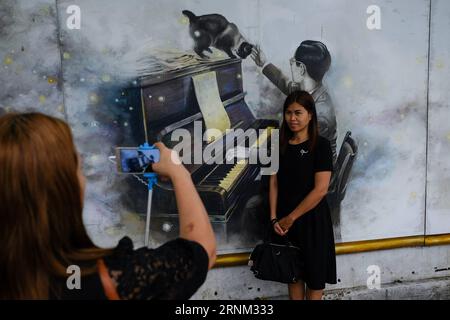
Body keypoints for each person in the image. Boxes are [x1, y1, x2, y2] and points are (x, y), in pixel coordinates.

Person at [0, 112, 216, 300]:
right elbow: (202, 249)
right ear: (64, 190)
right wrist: (178, 171)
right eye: (78, 167)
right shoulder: (109, 278)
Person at [269, 91, 336, 300]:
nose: (292, 118)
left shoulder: (321, 146)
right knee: (293, 276)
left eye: (298, 113)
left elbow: (320, 189)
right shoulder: (278, 144)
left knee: (315, 278)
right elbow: (273, 182)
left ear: (310, 115)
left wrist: (291, 217)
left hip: (312, 220)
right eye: (288, 113)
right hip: (284, 223)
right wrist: (274, 218)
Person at [251, 40, 337, 164]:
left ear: (301, 68)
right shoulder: (309, 90)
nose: (291, 66)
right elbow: (285, 83)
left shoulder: (320, 113)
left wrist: (254, 152)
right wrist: (264, 63)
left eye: (293, 62)